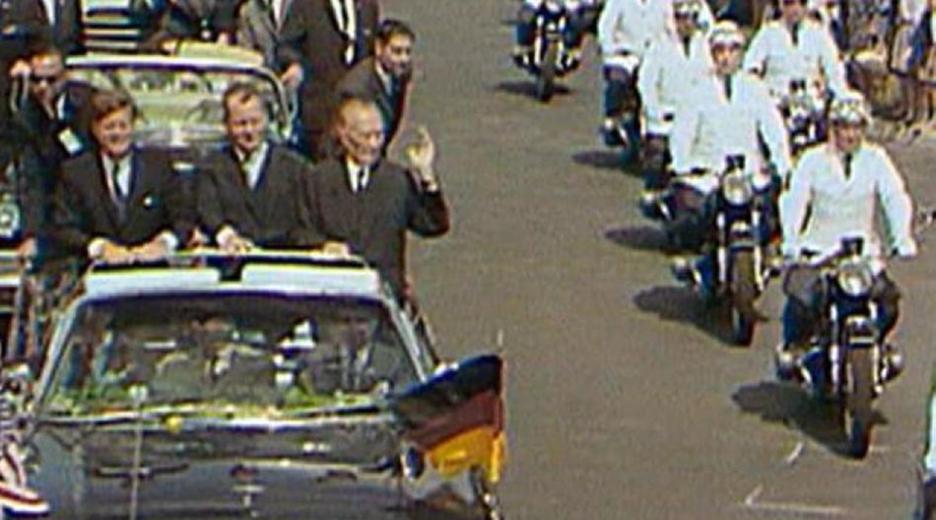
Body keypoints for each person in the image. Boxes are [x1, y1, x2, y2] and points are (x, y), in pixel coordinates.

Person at [775, 91, 917, 380]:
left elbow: (894, 196)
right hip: (820, 253)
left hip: (863, 258)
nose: (850, 135)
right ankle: (796, 350)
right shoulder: (812, 160)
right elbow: (795, 198)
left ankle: (877, 349)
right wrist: (791, 239)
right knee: (802, 300)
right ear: (832, 128)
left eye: (856, 127)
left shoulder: (876, 159)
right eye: (843, 127)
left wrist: (901, 236)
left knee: (888, 303)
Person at [669, 21, 791, 288]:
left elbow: (773, 128)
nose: (726, 57)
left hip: (748, 174)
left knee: (774, 207)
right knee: (692, 214)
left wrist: (782, 162)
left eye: (732, 50)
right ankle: (702, 261)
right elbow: (682, 132)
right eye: (720, 50)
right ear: (712, 54)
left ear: (741, 54)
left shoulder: (756, 89)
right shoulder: (697, 90)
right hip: (711, 175)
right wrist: (681, 163)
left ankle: (767, 253)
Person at [304, 97, 449, 303]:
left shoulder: (396, 179)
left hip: (381, 299)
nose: (373, 144)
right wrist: (324, 245)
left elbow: (433, 225)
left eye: (378, 135)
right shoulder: (319, 179)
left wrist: (427, 177)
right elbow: (300, 230)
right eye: (365, 136)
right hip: (332, 295)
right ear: (343, 134)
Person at [51, 89, 196, 264]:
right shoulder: (76, 172)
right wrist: (100, 248)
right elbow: (63, 227)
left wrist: (164, 243)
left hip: (152, 269)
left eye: (123, 126)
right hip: (96, 270)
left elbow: (183, 218)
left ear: (132, 126)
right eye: (109, 127)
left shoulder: (159, 166)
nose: (117, 133)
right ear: (95, 129)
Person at [196, 82, 316, 252]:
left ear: (267, 119)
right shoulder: (211, 167)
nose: (249, 131)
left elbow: (306, 223)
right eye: (241, 124)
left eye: (255, 122)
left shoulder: (296, 168)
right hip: (231, 259)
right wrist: (227, 237)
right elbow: (208, 212)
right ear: (226, 125)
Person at [10, 45, 92, 264]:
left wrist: (57, 122)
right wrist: (32, 234)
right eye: (36, 80)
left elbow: (83, 157)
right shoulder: (25, 112)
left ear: (65, 77)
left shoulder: (87, 104)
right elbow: (31, 177)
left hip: (87, 196)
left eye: (51, 80)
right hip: (51, 196)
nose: (43, 87)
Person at [276, 0, 380, 161]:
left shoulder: (367, 6)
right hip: (319, 111)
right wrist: (294, 65)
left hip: (358, 112)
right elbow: (287, 46)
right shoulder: (306, 5)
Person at [636, 0, 711, 204]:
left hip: (696, 118)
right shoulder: (660, 46)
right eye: (681, 18)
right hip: (666, 116)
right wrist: (655, 110)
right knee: (658, 149)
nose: (686, 24)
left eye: (691, 18)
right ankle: (653, 187)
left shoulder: (705, 48)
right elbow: (646, 82)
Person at [744, 0, 848, 104]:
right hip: (776, 100)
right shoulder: (767, 33)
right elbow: (750, 68)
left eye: (802, 3)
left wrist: (838, 94)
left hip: (811, 100)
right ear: (781, 5)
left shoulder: (818, 32)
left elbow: (834, 69)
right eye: (789, 3)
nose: (796, 9)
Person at [336, 19, 415, 153]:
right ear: (378, 48)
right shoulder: (356, 88)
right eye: (397, 51)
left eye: (408, 52)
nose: (404, 59)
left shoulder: (401, 74)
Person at [511, 0, 596, 72]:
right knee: (527, 16)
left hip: (573, 9)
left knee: (578, 22)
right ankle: (524, 48)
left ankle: (571, 50)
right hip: (541, 6)